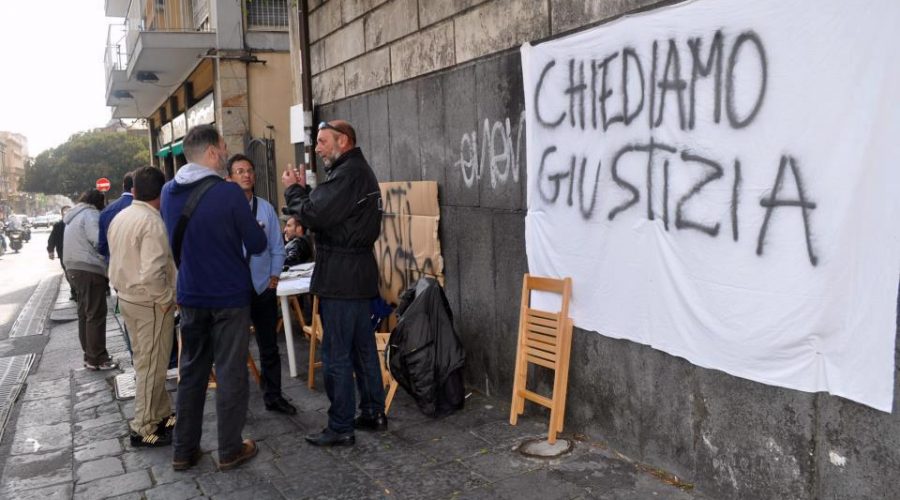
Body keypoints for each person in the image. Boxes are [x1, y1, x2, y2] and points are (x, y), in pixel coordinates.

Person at [160, 125, 267, 471]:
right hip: (229, 297)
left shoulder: (167, 192)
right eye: (222, 148)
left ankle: (183, 451)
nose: (225, 153)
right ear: (210, 152)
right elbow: (257, 244)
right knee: (230, 372)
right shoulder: (229, 193)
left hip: (191, 295)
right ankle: (230, 449)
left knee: (192, 373)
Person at [282, 119, 386, 447]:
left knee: (337, 354)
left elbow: (315, 213)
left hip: (343, 278)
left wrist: (293, 190)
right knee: (362, 349)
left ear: (343, 141)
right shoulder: (354, 172)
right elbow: (325, 212)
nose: (317, 148)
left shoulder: (349, 173)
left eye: (323, 141)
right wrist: (305, 200)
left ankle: (341, 425)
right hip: (355, 275)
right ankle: (373, 412)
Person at [108, 166, 176, 448]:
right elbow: (152, 272)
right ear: (161, 192)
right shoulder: (152, 222)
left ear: (134, 191)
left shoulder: (121, 217)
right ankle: (143, 428)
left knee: (146, 361)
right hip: (149, 302)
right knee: (152, 365)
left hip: (128, 298)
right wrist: (166, 298)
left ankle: (161, 414)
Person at [225, 154, 296, 416]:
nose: (246, 175)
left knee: (269, 347)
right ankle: (236, 403)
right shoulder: (224, 210)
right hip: (234, 290)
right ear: (229, 178)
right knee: (235, 350)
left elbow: (278, 247)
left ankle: (274, 396)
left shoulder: (265, 208)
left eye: (249, 170)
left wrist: (274, 277)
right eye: (240, 171)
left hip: (263, 287)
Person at [64, 190, 118, 371]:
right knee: (95, 314)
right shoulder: (90, 214)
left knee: (85, 313)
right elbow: (98, 240)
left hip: (73, 269)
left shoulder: (73, 216)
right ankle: (98, 358)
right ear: (99, 202)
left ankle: (89, 354)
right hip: (89, 269)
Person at [98, 172, 134, 260]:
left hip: (113, 261)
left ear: (123, 186)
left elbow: (102, 247)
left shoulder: (106, 211)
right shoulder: (142, 208)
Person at [47, 206, 76, 300]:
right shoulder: (58, 225)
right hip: (63, 253)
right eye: (65, 212)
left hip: (76, 252)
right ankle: (73, 291)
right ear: (62, 214)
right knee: (68, 273)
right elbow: (52, 239)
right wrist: (50, 251)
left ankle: (77, 290)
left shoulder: (76, 223)